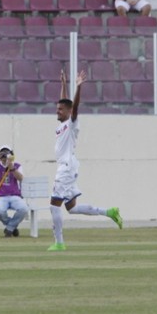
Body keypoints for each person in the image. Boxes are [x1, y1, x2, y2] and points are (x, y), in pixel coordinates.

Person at [48, 70, 123, 252]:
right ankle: (110, 212)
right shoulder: (63, 124)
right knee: (72, 208)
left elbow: (74, 107)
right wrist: (64, 84)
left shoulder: (72, 123)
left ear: (68, 111)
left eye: (60, 109)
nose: (57, 111)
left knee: (53, 204)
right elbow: (66, 102)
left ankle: (59, 242)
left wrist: (78, 87)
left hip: (66, 168)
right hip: (69, 166)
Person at [0, 146, 30, 237]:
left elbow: (20, 178)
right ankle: (12, 227)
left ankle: (9, 228)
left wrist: (12, 168)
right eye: (2, 154)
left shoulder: (17, 166)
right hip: (0, 196)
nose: (5, 156)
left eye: (6, 153)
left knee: (24, 209)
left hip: (15, 196)